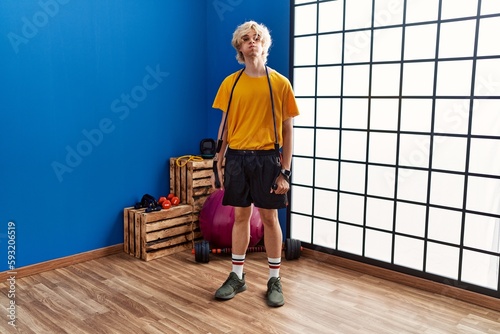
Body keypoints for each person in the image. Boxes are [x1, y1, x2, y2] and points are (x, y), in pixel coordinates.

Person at [211, 20, 300, 307]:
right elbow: (224, 128)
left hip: (267, 160)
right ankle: (237, 276)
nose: (252, 41)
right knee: (240, 217)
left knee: (270, 219)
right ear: (239, 47)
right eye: (246, 38)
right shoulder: (231, 83)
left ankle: (274, 279)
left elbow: (288, 130)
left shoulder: (280, 83)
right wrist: (217, 164)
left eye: (257, 37)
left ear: (264, 45)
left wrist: (285, 171)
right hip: (237, 158)